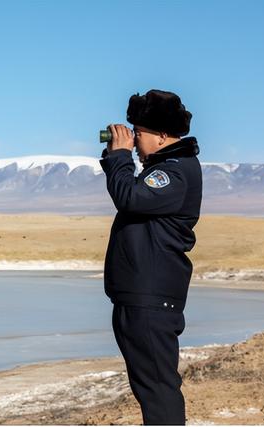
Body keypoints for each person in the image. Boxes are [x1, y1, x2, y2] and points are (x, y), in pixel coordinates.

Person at [99, 89, 202, 425]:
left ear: (161, 136)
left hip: (151, 299)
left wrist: (119, 158)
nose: (134, 139)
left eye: (138, 133)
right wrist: (119, 159)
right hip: (142, 296)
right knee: (150, 387)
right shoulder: (166, 167)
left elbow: (130, 198)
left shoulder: (174, 172)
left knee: (157, 388)